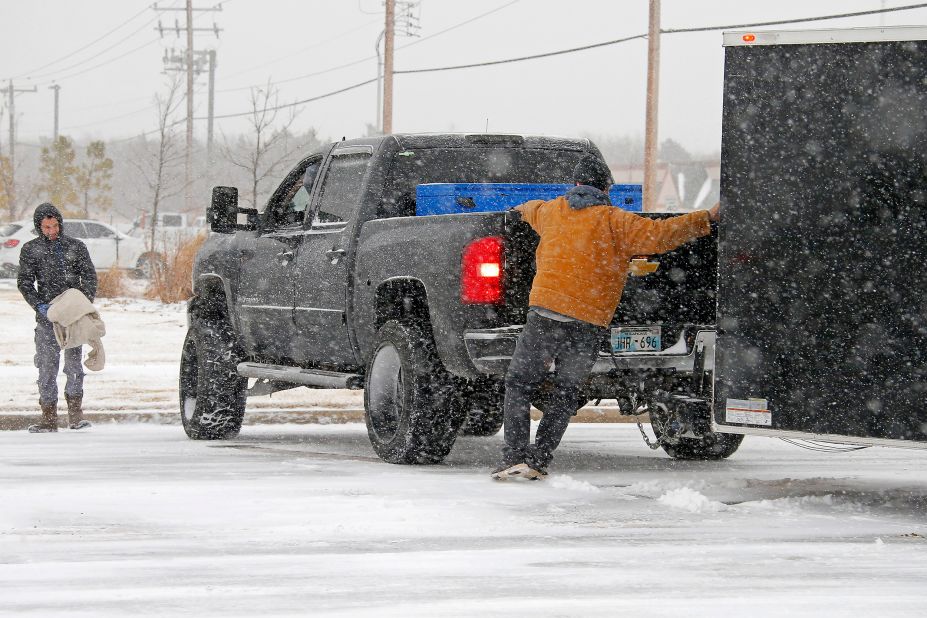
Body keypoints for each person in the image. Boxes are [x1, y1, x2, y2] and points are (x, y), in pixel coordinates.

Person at [492, 155, 720, 480]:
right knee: (566, 391)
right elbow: (661, 234)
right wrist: (705, 218)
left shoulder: (551, 212)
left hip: (545, 314)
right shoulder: (616, 222)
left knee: (519, 383)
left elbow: (529, 208)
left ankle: (513, 458)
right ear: (607, 188)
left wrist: (516, 211)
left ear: (575, 184)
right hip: (587, 321)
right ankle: (538, 461)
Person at [17, 203, 98, 433]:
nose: (52, 231)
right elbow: (24, 282)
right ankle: (49, 418)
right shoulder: (31, 250)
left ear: (60, 224)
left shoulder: (76, 247)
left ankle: (75, 416)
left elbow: (89, 277)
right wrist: (39, 306)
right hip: (47, 318)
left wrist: (82, 303)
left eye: (55, 226)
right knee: (46, 367)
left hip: (73, 317)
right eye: (46, 227)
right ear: (39, 227)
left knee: (74, 366)